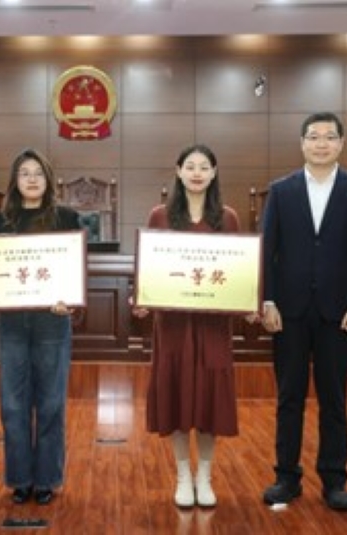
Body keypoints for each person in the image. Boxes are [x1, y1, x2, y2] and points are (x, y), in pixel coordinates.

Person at [259, 111, 347, 511]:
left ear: (341, 143)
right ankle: (286, 477)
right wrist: (268, 300)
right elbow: (267, 252)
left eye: (329, 137)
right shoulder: (281, 191)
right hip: (288, 312)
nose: (321, 143)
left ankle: (334, 480)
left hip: (339, 313)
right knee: (289, 398)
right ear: (302, 143)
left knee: (334, 399)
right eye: (314, 136)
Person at [132, 144, 241, 508]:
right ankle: (182, 474)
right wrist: (142, 297)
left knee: (211, 396)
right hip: (174, 325)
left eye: (204, 167)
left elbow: (239, 272)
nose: (197, 173)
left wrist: (248, 300)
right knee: (176, 392)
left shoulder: (228, 218)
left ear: (214, 173)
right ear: (178, 171)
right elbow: (148, 269)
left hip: (213, 325)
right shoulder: (160, 216)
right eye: (190, 166)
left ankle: (204, 476)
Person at [0, 148, 81, 506]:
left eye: (38, 173)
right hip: (11, 322)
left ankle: (47, 479)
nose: (32, 179)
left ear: (48, 180)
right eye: (25, 173)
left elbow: (75, 269)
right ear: (15, 181)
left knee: (51, 403)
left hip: (52, 319)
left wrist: (70, 298)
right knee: (13, 404)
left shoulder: (66, 218)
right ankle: (20, 478)